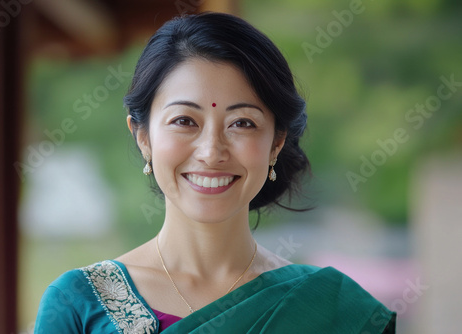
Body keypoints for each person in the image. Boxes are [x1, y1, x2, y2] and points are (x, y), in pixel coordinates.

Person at [34, 12, 396, 333]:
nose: (211, 152)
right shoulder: (78, 304)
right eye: (184, 121)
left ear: (275, 143)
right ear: (143, 137)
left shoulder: (334, 309)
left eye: (242, 123)